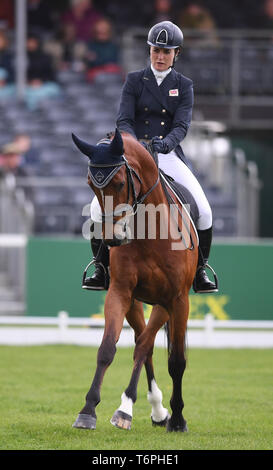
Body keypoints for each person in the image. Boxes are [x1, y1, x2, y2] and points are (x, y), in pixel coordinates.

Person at [83, 21, 218, 294]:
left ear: (175, 54)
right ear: (149, 50)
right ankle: (99, 266)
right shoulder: (134, 80)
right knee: (98, 209)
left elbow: (181, 126)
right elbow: (124, 119)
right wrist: (135, 145)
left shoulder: (184, 85)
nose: (160, 56)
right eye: (156, 50)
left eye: (166, 52)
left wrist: (165, 144)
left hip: (167, 154)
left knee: (204, 210)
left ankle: (202, 269)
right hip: (135, 154)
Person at [85, 17, 123, 82]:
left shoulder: (113, 46)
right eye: (99, 32)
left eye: (105, 32)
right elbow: (91, 62)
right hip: (95, 75)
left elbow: (114, 62)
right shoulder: (90, 45)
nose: (102, 34)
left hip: (111, 74)